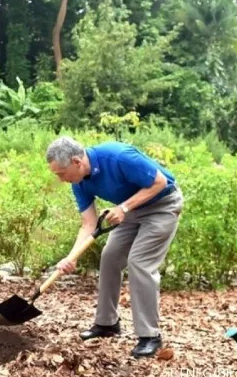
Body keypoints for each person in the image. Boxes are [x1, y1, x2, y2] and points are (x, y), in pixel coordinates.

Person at [46, 137, 183, 358]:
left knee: (139, 262)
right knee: (109, 258)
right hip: (129, 211)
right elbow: (89, 224)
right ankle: (107, 323)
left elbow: (160, 183)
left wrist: (125, 207)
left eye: (61, 173)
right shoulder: (79, 182)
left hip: (162, 205)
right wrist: (71, 257)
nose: (62, 179)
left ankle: (150, 336)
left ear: (76, 161)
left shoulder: (119, 156)